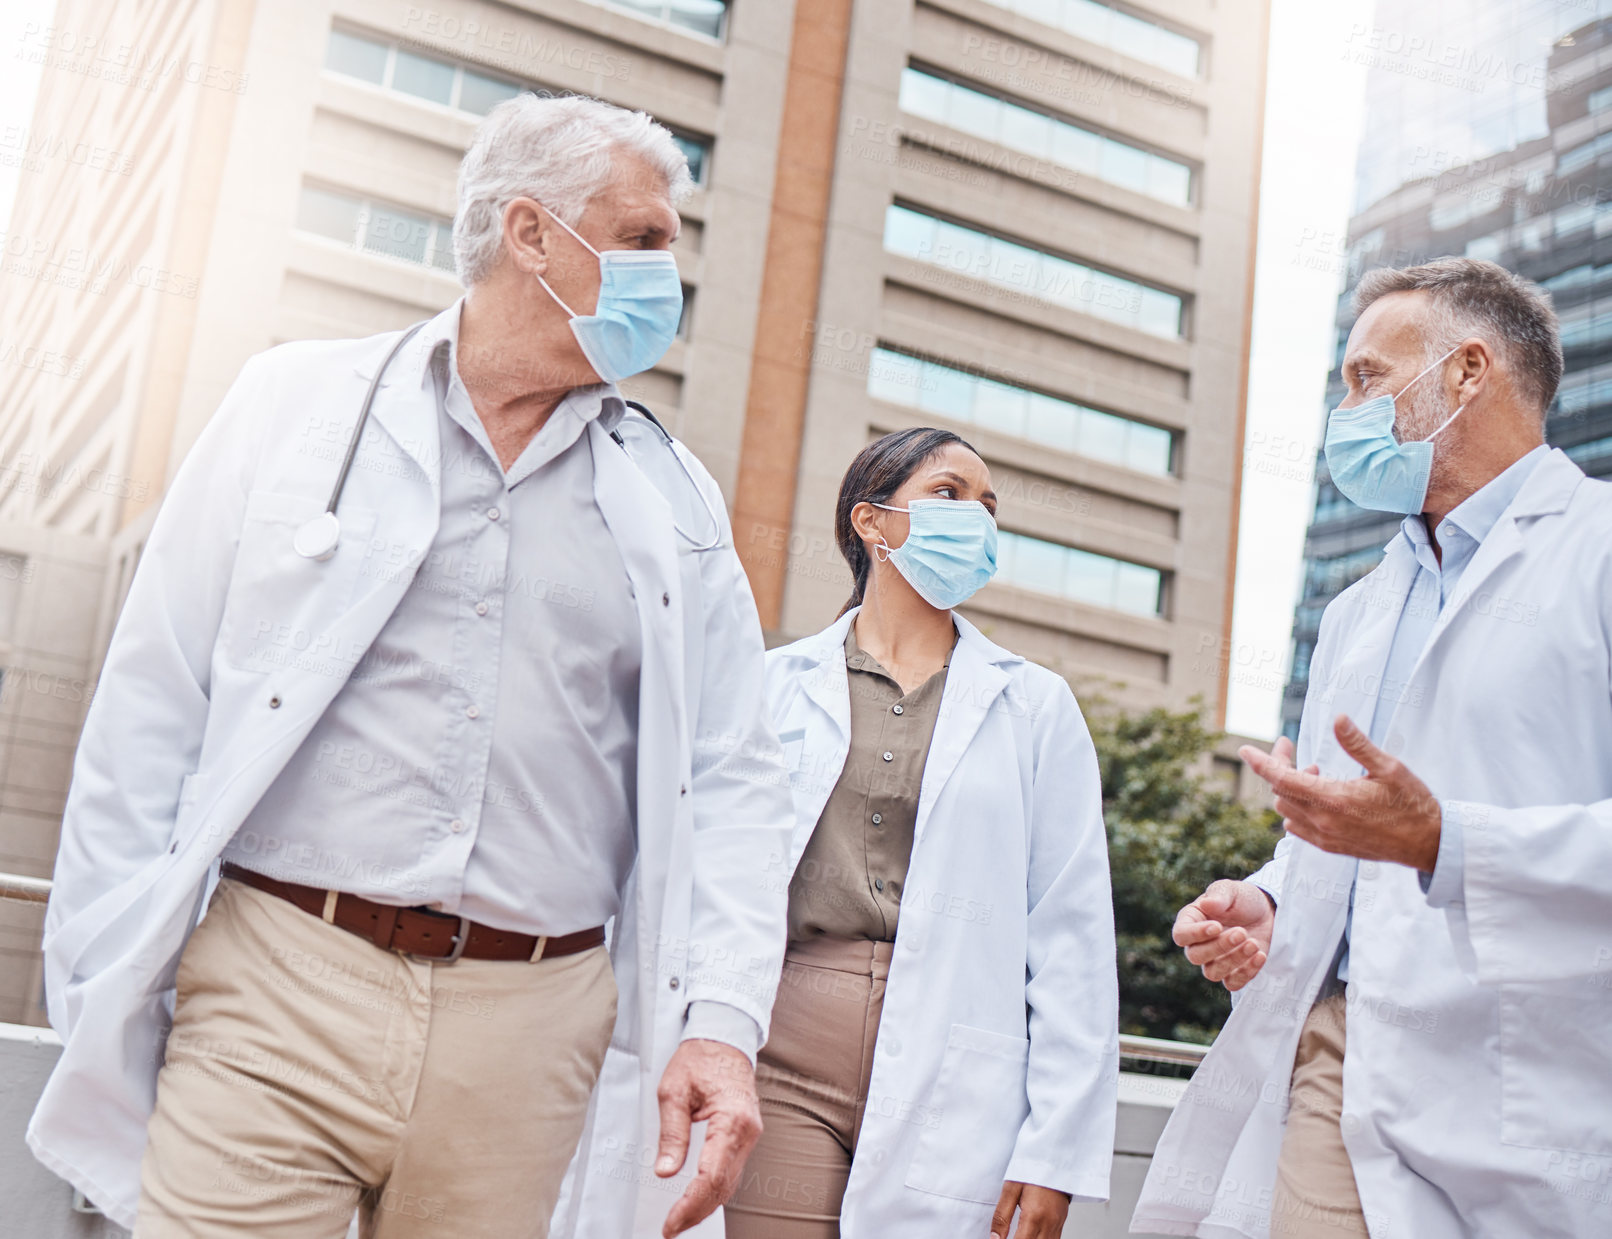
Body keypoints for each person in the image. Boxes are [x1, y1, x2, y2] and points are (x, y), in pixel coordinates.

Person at [28, 93, 794, 1238]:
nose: (664, 276)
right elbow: (153, 702)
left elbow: (737, 775)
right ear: (531, 234)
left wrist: (721, 1024)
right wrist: (101, 980)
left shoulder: (672, 494)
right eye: (640, 240)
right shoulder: (291, 405)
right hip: (280, 981)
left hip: (533, 1023)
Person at [1133, 257, 1612, 1238]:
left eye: (1365, 378)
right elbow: (1339, 831)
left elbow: (1417, 830)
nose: (1344, 410)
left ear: (1467, 372)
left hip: (1548, 1071)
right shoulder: (1356, 612)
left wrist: (1447, 843)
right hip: (1345, 1053)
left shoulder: (1597, 553)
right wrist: (1271, 900)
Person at [723, 427, 1119, 1238]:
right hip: (784, 1049)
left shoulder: (1034, 705)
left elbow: (1073, 933)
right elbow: (715, 875)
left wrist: (1056, 1151)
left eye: (987, 504)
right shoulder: (772, 687)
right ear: (873, 524)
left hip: (956, 1062)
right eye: (949, 494)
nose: (976, 516)